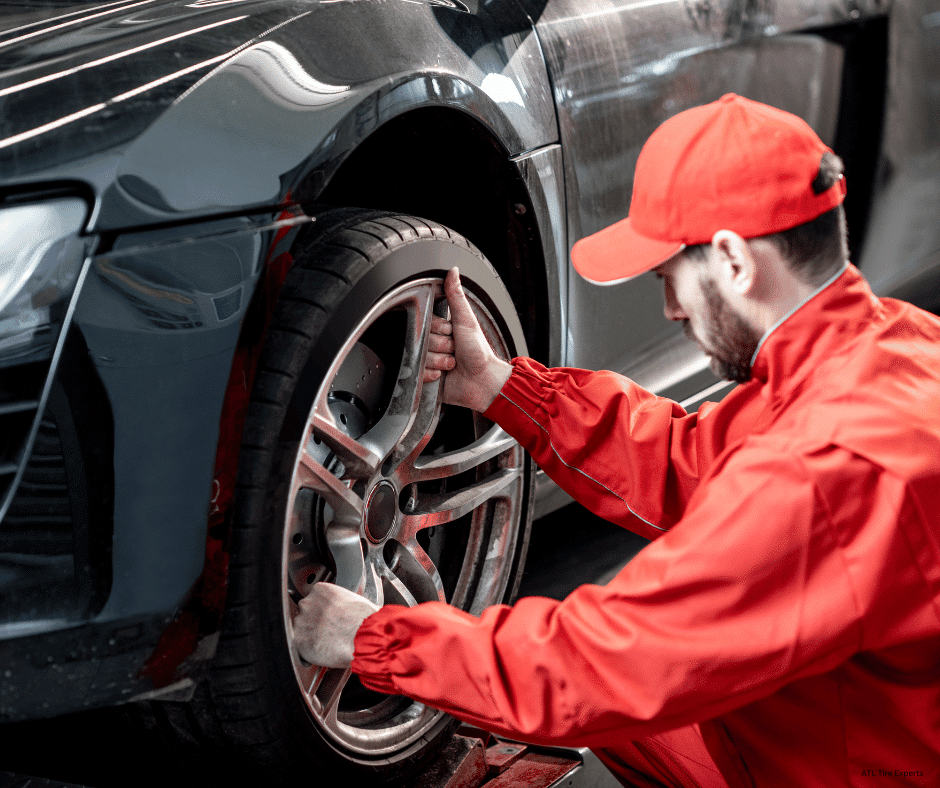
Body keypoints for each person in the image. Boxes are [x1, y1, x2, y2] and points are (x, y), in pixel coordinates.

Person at [291, 94, 940, 787]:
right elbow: (697, 463)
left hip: (868, 765)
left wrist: (375, 642)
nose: (669, 309)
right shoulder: (893, 347)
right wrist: (504, 388)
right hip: (873, 717)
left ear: (732, 261)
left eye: (669, 279)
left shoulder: (828, 470)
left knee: (605, 690)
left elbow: (597, 667)